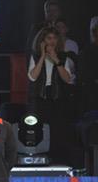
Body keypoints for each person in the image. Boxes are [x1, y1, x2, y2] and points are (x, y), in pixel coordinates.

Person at [27, 27, 75, 163]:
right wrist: (43, 56)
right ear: (42, 41)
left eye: (54, 38)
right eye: (49, 38)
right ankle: (40, 158)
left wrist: (56, 59)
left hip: (57, 97)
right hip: (40, 97)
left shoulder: (63, 57)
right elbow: (32, 77)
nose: (52, 41)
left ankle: (58, 159)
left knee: (57, 130)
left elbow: (67, 79)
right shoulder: (35, 56)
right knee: (40, 128)